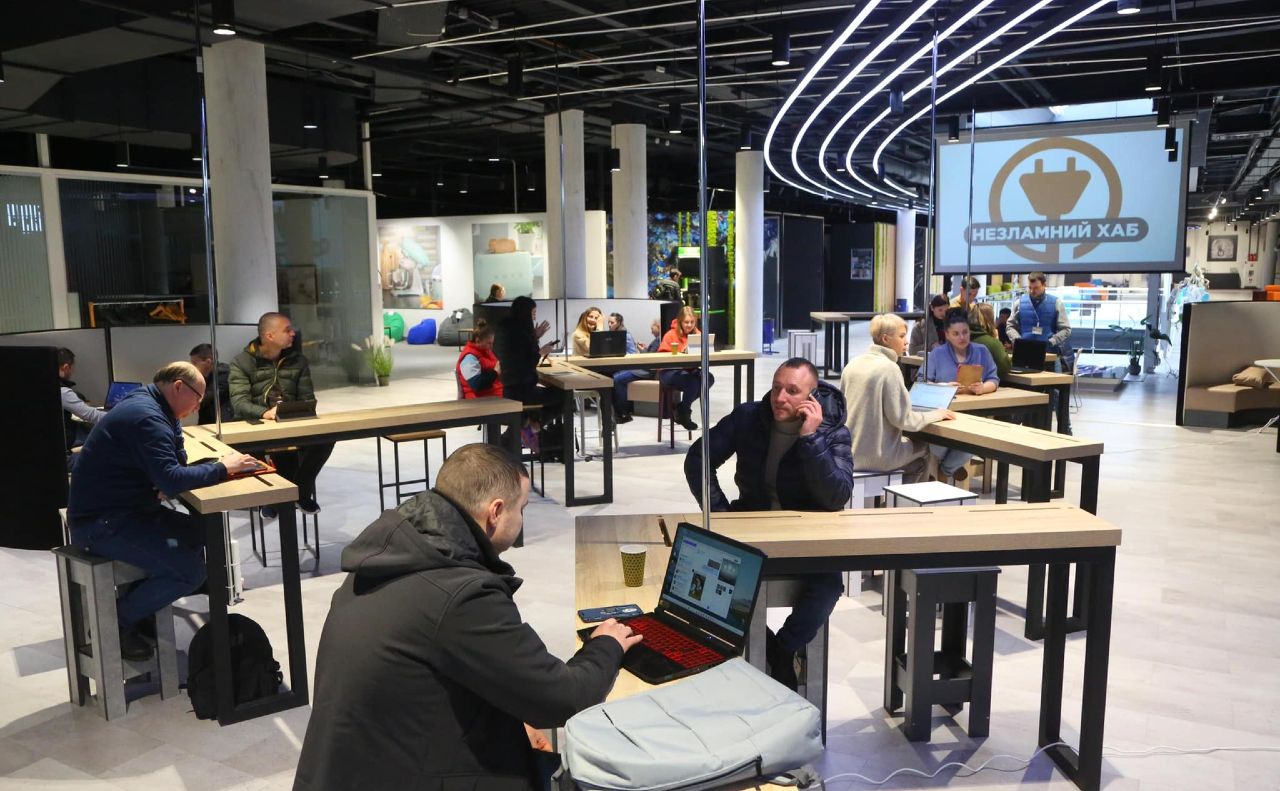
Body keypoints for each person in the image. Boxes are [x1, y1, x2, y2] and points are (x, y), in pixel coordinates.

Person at [293, 443, 641, 791]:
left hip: (353, 768)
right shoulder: (461, 594)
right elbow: (563, 699)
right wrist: (605, 645)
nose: (521, 521)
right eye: (521, 509)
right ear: (496, 512)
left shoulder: (390, 555)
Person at [66, 362, 258, 661]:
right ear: (179, 387)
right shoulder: (146, 417)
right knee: (190, 572)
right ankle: (117, 623)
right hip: (101, 523)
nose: (198, 406)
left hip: (128, 509)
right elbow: (172, 479)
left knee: (202, 531)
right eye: (197, 398)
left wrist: (168, 472)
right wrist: (223, 468)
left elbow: (174, 464)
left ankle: (146, 602)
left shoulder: (153, 405)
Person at [684, 358, 851, 690]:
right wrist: (721, 514)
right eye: (776, 388)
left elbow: (837, 496)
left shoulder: (832, 431)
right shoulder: (749, 417)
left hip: (805, 536)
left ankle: (782, 648)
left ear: (812, 396)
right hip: (751, 526)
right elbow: (698, 459)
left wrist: (810, 439)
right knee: (712, 587)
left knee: (829, 585)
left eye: (792, 391)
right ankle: (771, 648)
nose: (780, 398)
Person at [229, 312, 333, 515]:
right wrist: (265, 413)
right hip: (255, 425)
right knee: (272, 450)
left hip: (289, 422)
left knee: (327, 438)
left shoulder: (298, 361)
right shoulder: (242, 362)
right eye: (287, 330)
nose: (293, 333)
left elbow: (307, 399)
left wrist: (294, 411)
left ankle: (300, 491)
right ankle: (272, 498)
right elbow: (239, 403)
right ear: (269, 336)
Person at [841, 315, 955, 483]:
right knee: (924, 451)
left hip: (848, 453)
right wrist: (936, 414)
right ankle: (907, 499)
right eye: (901, 336)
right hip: (877, 457)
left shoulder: (853, 364)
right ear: (886, 339)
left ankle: (892, 496)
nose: (907, 342)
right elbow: (904, 420)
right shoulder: (889, 368)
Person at [919, 310, 1000, 481]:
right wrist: (944, 387)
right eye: (956, 334)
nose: (962, 337)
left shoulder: (982, 351)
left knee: (974, 440)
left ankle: (945, 471)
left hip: (973, 414)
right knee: (939, 444)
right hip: (943, 415)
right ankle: (951, 468)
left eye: (965, 332)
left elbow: (994, 379)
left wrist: (983, 388)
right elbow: (922, 382)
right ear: (947, 335)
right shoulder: (937, 354)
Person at [495, 296, 563, 445]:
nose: (534, 317)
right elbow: (526, 362)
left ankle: (523, 428)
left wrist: (535, 336)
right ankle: (533, 427)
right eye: (533, 313)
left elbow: (520, 354)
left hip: (510, 389)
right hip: (522, 390)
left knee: (548, 398)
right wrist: (541, 352)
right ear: (525, 312)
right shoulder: (519, 334)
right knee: (565, 397)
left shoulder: (506, 330)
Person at [657, 306, 714, 431]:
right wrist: (680, 352)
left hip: (688, 370)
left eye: (692, 322)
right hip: (668, 371)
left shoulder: (698, 335)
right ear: (680, 322)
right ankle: (684, 413)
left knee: (708, 378)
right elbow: (662, 356)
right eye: (686, 322)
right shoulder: (670, 335)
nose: (689, 325)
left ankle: (682, 408)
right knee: (691, 382)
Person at [1006, 271, 1073, 370]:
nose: (1032, 291)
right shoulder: (1019, 303)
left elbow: (1066, 329)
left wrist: (1052, 341)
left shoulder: (1056, 303)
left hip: (1048, 354)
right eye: (1030, 288)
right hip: (1024, 354)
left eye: (1036, 288)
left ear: (1044, 285)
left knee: (1049, 380)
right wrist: (1018, 340)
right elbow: (1010, 326)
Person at [57, 347, 105, 451]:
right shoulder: (62, 391)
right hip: (66, 441)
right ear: (66, 367)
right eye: (72, 368)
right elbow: (91, 415)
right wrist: (117, 416)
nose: (72, 371)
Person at [608, 313, 648, 424]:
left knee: (616, 379)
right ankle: (615, 412)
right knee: (609, 377)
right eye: (609, 322)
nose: (609, 324)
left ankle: (623, 412)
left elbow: (631, 354)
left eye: (612, 322)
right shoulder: (612, 334)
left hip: (630, 366)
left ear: (619, 323)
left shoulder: (625, 335)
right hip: (620, 365)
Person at [457, 319, 503, 398]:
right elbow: (477, 385)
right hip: (479, 398)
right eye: (489, 343)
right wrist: (495, 372)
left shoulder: (485, 351)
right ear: (478, 341)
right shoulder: (469, 358)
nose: (491, 347)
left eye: (492, 343)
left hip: (492, 394)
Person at [189, 343, 232, 425]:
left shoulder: (224, 373)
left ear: (208, 362)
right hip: (208, 422)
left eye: (194, 363)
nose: (192, 366)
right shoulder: (203, 375)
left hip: (223, 424)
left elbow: (205, 397)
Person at [968, 302, 1011, 380]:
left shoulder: (960, 339)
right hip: (986, 384)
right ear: (990, 319)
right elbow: (1004, 368)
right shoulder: (993, 343)